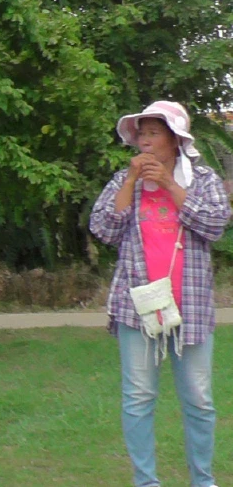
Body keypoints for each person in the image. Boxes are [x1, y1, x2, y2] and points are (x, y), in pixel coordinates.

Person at [90, 100, 230, 487]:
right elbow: (104, 229)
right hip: (138, 306)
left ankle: (203, 480)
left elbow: (216, 225)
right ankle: (146, 482)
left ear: (175, 140)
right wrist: (133, 182)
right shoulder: (123, 180)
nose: (145, 143)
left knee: (199, 401)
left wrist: (169, 184)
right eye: (141, 135)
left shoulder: (200, 179)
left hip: (191, 306)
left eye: (153, 134)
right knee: (138, 398)